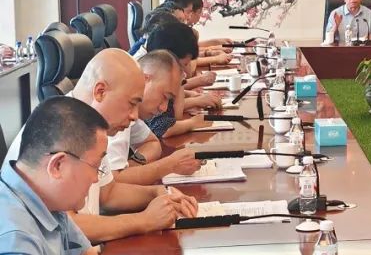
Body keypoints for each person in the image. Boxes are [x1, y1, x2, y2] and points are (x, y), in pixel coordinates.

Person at [0, 96, 206, 255]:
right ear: (58, 165)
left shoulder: (43, 196)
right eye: (96, 166)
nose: (96, 179)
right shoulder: (11, 228)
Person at [4, 49, 199, 243]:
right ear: (100, 92)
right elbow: (67, 226)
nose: (134, 116)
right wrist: (144, 221)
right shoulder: (57, 131)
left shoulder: (91, 127)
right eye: (131, 103)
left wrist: (158, 193)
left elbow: (107, 193)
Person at [110, 51, 202, 185]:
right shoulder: (116, 109)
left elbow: (153, 144)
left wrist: (133, 166)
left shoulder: (132, 109)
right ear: (145, 79)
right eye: (164, 96)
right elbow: (113, 182)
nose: (164, 108)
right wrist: (169, 165)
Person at [142, 23, 216, 139]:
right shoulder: (149, 76)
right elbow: (162, 128)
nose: (186, 72)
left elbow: (175, 115)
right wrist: (193, 123)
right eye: (184, 65)